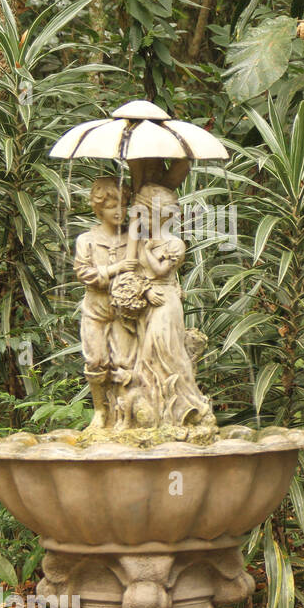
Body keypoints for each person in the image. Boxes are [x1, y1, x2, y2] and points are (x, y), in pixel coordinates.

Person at [128, 184, 214, 428]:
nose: (142, 217)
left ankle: (185, 406)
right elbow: (130, 271)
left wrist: (145, 249)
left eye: (146, 212)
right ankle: (153, 408)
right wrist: (143, 290)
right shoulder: (139, 240)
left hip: (165, 303)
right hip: (147, 303)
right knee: (146, 355)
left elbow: (159, 271)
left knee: (167, 351)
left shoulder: (174, 244)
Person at [74, 177, 138, 431]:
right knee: (96, 360)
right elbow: (84, 274)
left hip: (124, 311)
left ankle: (124, 415)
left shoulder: (133, 240)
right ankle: (100, 411)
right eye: (112, 207)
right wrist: (115, 269)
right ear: (99, 209)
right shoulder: (86, 240)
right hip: (96, 309)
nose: (119, 212)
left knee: (124, 363)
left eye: (123, 205)